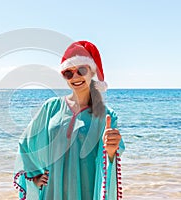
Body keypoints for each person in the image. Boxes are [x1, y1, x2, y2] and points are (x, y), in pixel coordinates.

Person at [13, 41, 125, 200]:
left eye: (81, 70)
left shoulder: (106, 115)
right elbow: (26, 143)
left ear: (91, 72)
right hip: (52, 191)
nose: (75, 77)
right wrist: (35, 176)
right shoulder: (51, 108)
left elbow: (109, 159)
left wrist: (112, 151)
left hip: (86, 190)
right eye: (68, 73)